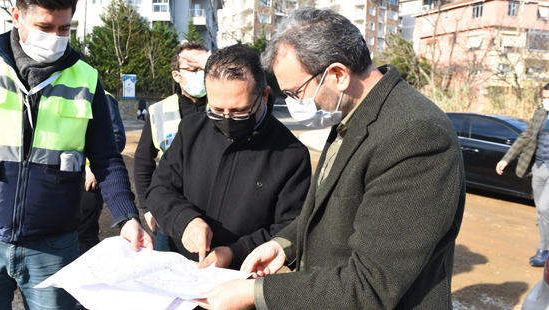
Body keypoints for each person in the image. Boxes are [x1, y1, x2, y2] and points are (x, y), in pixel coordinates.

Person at [195, 8, 465, 310]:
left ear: (337, 75)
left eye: (296, 92)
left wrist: (256, 292)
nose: (295, 104)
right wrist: (284, 245)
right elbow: (332, 210)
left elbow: (370, 285)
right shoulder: (354, 112)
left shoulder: (415, 136)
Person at [0, 1, 152, 309]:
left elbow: (107, 158)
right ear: (17, 16)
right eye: (44, 27)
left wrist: (126, 217)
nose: (55, 36)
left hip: (54, 245)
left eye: (64, 28)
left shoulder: (86, 78)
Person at [144, 44, 311, 270]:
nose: (226, 119)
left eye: (239, 111)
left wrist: (235, 252)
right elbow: (160, 188)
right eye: (216, 109)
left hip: (238, 278)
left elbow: (291, 226)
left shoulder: (291, 154)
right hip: (179, 268)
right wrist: (184, 220)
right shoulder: (191, 129)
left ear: (264, 95)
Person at [134, 41, 210, 251]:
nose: (200, 74)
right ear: (176, 76)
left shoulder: (225, 106)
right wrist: (148, 207)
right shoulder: (158, 110)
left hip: (216, 213)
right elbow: (143, 161)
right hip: (170, 213)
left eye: (204, 67)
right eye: (193, 69)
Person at [496, 83, 549, 267]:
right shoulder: (540, 114)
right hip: (539, 167)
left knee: (544, 209)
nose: (545, 101)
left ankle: (543, 251)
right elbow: (525, 136)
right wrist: (506, 159)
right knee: (541, 213)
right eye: (544, 97)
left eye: (548, 98)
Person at [78, 91, 126, 254]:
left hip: (89, 180)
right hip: (65, 176)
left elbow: (116, 137)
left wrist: (93, 168)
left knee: (85, 233)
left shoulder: (102, 96)